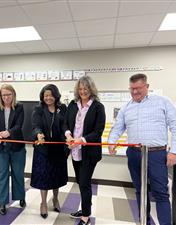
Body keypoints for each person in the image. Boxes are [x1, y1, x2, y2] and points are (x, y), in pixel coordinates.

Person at [108, 73, 176, 225]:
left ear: (147, 87)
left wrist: (174, 151)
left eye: (138, 88)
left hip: (157, 154)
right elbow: (117, 128)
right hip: (135, 154)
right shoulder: (126, 108)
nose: (134, 92)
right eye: (132, 89)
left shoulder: (162, 102)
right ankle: (145, 222)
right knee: (140, 191)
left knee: (160, 193)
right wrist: (111, 142)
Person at [64, 76, 106, 225]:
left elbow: (98, 131)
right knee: (81, 182)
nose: (83, 91)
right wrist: (68, 134)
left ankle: (86, 215)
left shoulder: (98, 107)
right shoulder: (72, 105)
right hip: (75, 150)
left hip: (89, 152)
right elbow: (65, 123)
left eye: (85, 89)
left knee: (84, 183)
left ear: (91, 89)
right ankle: (85, 208)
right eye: (80, 89)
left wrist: (80, 140)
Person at [31, 84, 68, 219]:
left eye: (51, 95)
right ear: (42, 96)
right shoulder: (38, 108)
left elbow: (66, 125)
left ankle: (55, 198)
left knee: (56, 176)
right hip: (43, 149)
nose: (48, 98)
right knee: (44, 177)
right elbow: (35, 125)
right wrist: (39, 134)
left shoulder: (62, 108)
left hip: (58, 149)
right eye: (46, 95)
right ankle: (43, 203)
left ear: (56, 95)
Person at [0, 84, 26, 215]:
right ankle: (2, 203)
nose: (6, 97)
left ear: (13, 95)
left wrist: (9, 132)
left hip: (17, 147)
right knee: (1, 175)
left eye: (9, 95)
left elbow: (19, 125)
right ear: (0, 96)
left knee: (18, 174)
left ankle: (21, 197)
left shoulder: (19, 107)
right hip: (0, 148)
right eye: (4, 95)